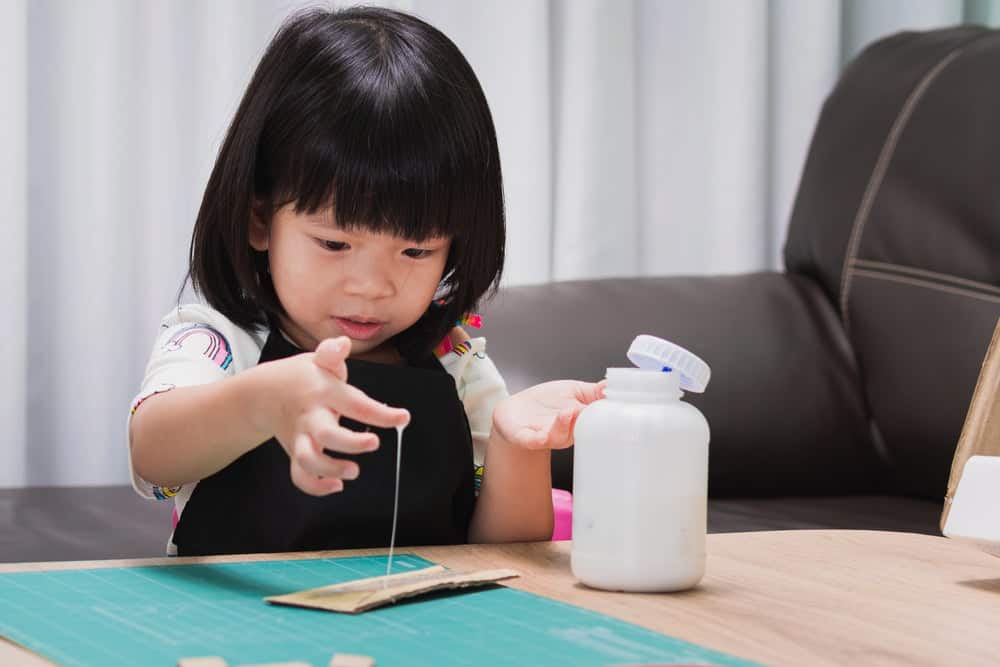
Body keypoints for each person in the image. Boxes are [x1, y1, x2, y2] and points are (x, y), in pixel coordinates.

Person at [127, 6, 603, 557]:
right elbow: (152, 453)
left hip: (425, 634)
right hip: (242, 633)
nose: (373, 286)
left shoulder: (457, 364)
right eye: (334, 244)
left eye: (415, 250)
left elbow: (505, 552)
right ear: (261, 220)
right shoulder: (221, 342)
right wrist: (261, 403)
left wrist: (516, 446)